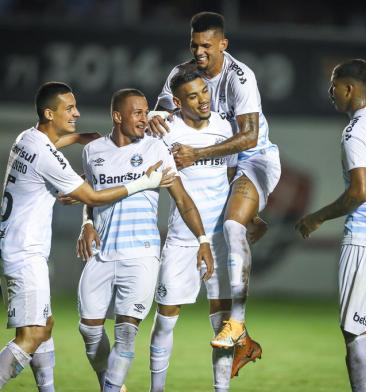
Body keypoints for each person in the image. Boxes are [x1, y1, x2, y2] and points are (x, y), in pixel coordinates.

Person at [0, 82, 174, 391]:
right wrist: (145, 182)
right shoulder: (48, 158)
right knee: (32, 336)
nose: (77, 113)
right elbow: (92, 197)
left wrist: (78, 137)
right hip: (25, 252)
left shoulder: (25, 139)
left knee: (45, 326)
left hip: (17, 248)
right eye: (69, 108)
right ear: (49, 112)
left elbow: (51, 145)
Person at [149, 11, 281, 376]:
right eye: (194, 44)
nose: (200, 52)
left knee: (234, 228)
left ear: (223, 44)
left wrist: (197, 154)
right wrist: (154, 117)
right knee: (232, 225)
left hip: (253, 160)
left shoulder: (241, 77)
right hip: (223, 166)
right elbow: (164, 111)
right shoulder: (182, 74)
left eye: (207, 45)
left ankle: (237, 327)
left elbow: (250, 136)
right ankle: (249, 217)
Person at [75, 88, 214, 392]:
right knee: (89, 331)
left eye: (145, 111)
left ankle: (111, 389)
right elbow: (91, 193)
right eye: (137, 112)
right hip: (101, 254)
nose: (144, 118)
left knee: (125, 335)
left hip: (141, 255)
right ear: (117, 116)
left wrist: (202, 239)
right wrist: (86, 222)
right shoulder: (93, 151)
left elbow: (183, 200)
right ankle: (112, 386)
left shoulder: (155, 149)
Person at [296, 59, 366, 392]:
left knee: (354, 330)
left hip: (365, 237)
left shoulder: (356, 131)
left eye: (333, 85)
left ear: (349, 88)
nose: (329, 91)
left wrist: (316, 216)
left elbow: (360, 192)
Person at [148, 71, 238, 392]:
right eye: (192, 96)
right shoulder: (165, 130)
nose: (203, 100)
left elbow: (230, 176)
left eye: (204, 92)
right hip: (182, 241)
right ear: (176, 102)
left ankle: (221, 389)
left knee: (224, 324)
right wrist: (149, 116)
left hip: (220, 242)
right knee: (165, 320)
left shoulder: (223, 128)